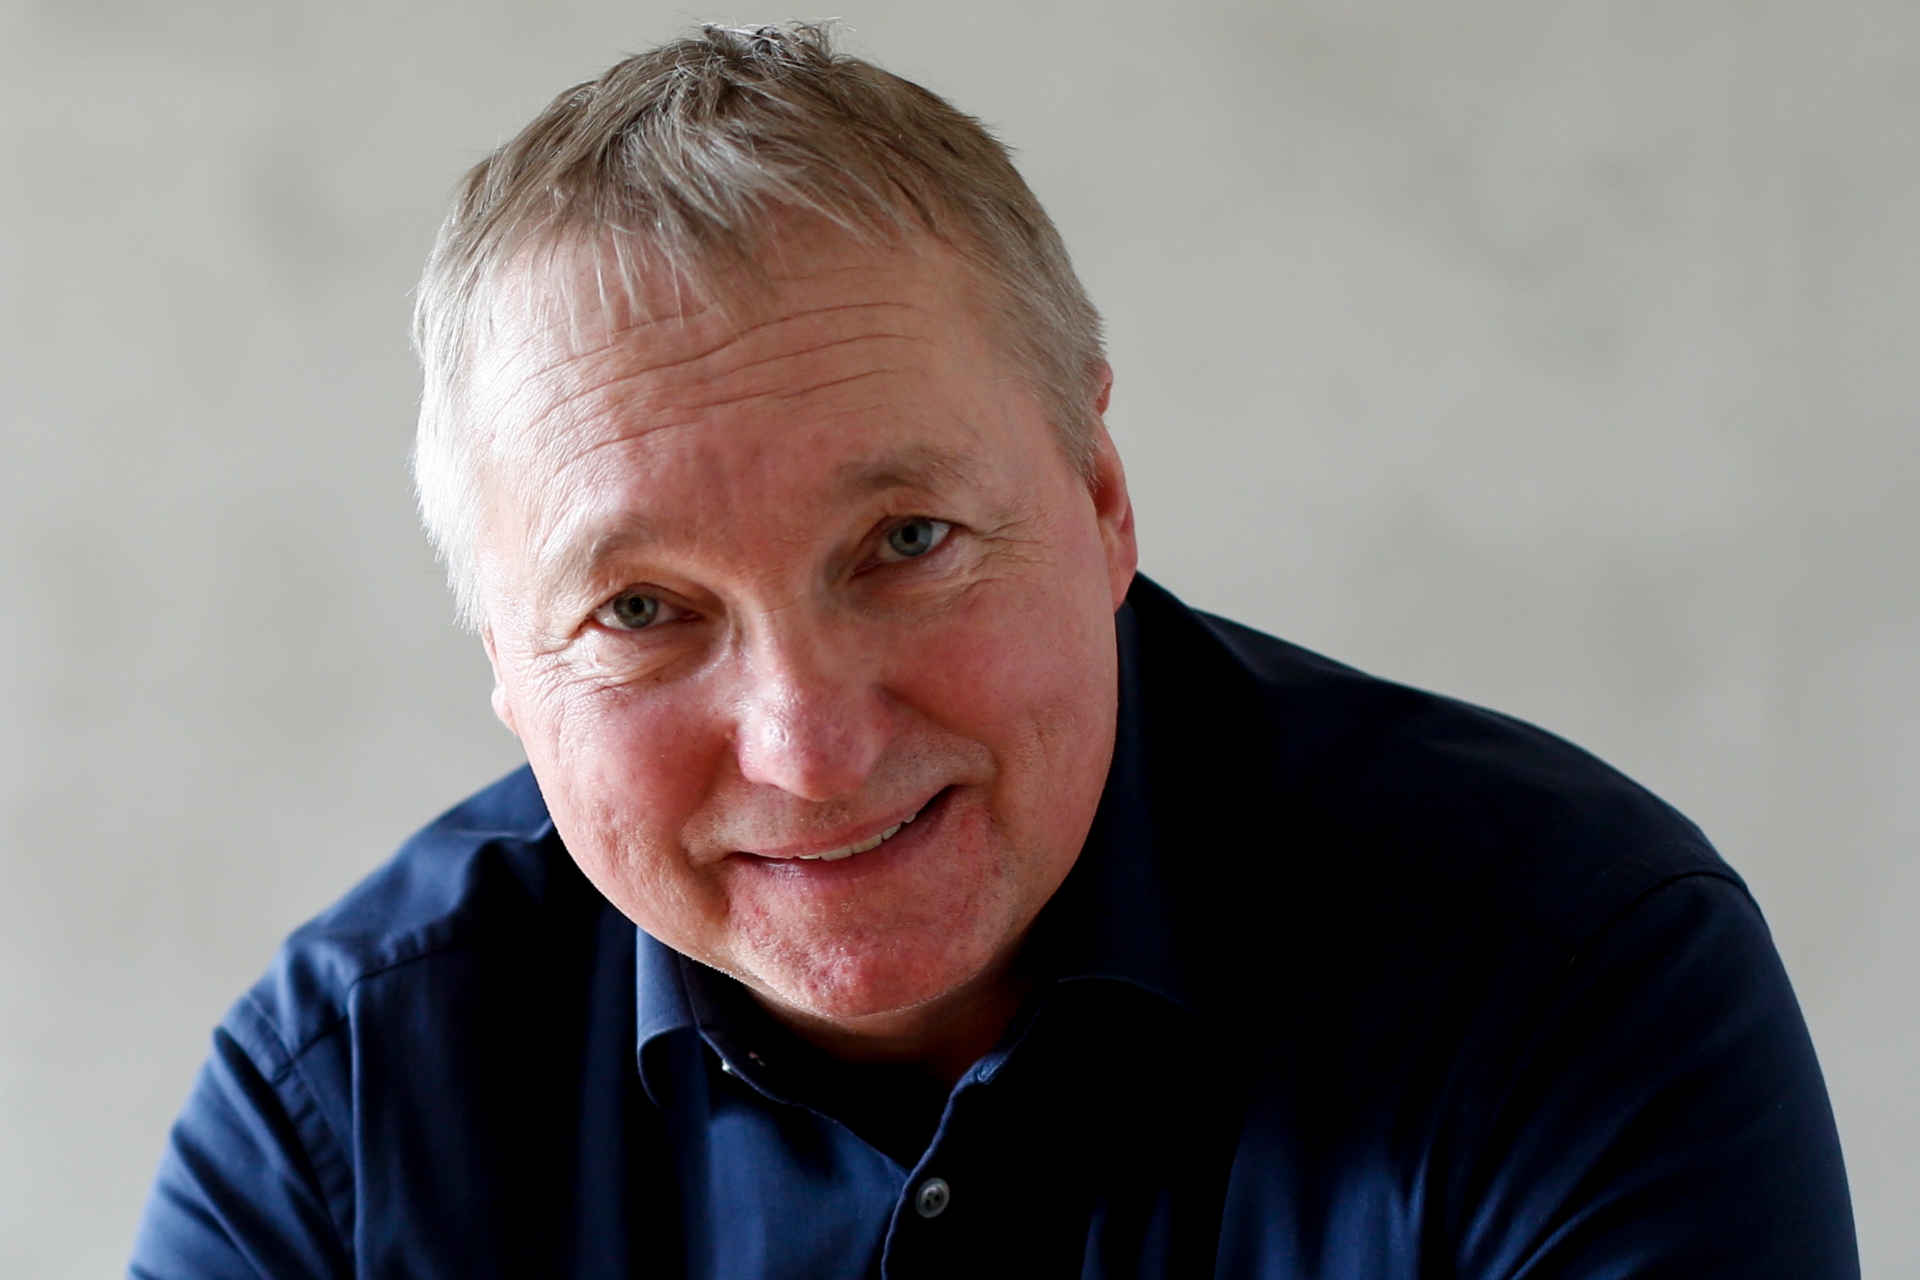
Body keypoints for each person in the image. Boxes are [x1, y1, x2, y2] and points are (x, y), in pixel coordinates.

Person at [130, 23, 1858, 1278]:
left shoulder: (1568, 981)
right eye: (642, 611)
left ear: (1101, 499)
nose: (807, 744)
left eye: (907, 543)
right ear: (507, 665)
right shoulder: (338, 1124)